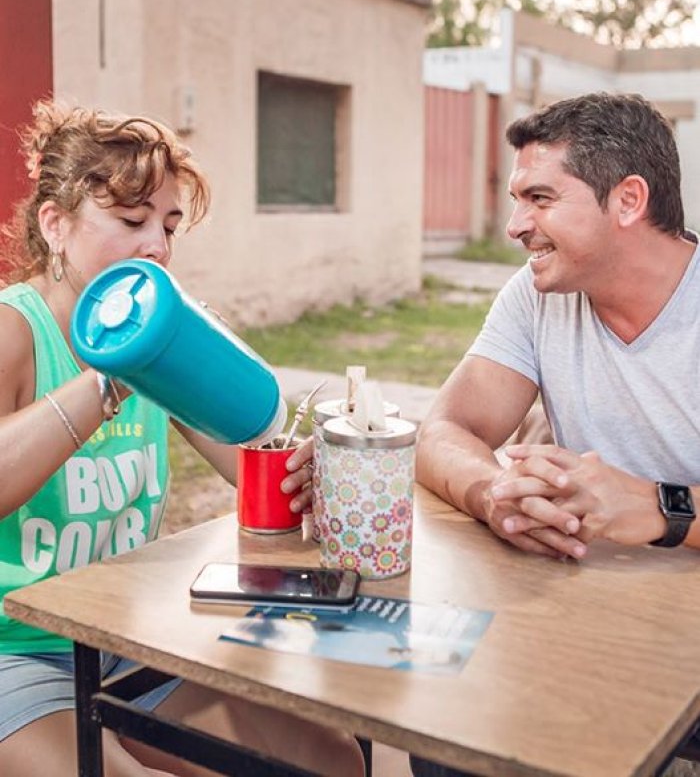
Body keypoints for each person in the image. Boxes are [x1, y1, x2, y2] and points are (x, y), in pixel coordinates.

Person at [0, 100, 364, 777]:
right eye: (132, 222)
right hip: (13, 648)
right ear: (56, 224)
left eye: (168, 227)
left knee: (330, 758)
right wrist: (110, 376)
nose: (158, 248)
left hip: (123, 634)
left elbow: (256, 463)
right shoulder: (13, 333)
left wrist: (307, 460)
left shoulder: (162, 335)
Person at [413, 91, 700, 777]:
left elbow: (656, 511)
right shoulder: (537, 294)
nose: (516, 226)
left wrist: (661, 510)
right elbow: (445, 428)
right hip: (587, 611)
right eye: (517, 200)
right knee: (446, 749)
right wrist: (493, 493)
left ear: (628, 200)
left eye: (540, 198)